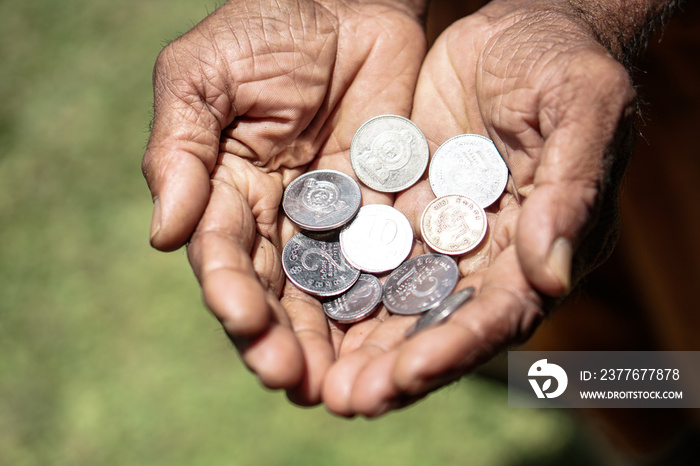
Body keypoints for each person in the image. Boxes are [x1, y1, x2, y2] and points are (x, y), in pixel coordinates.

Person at [141, 0, 689, 452]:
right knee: (586, 354)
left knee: (684, 351)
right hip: (451, 54)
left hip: (666, 65)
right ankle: (643, 439)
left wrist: (584, 11)